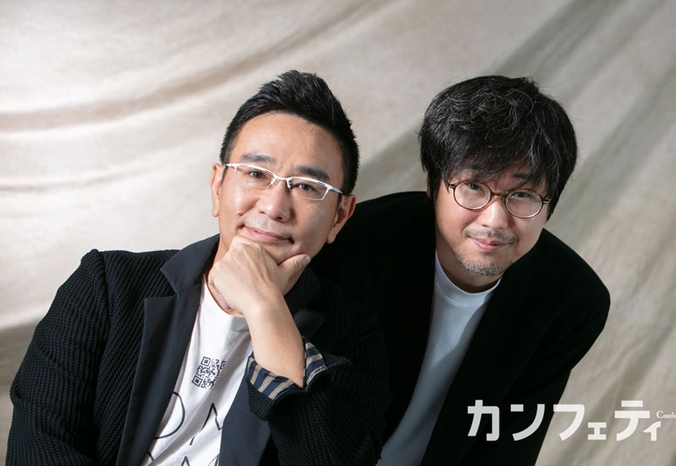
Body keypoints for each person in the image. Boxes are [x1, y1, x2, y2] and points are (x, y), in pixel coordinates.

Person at [8, 70, 390, 465]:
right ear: (217, 186)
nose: (275, 206)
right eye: (256, 174)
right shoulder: (105, 287)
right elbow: (35, 448)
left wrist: (265, 309)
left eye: (307, 187)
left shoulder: (353, 336)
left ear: (339, 217)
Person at [312, 75, 610, 465]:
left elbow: (508, 447)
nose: (494, 220)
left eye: (523, 194)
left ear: (549, 204)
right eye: (473, 186)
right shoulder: (353, 245)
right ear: (433, 185)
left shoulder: (571, 301)